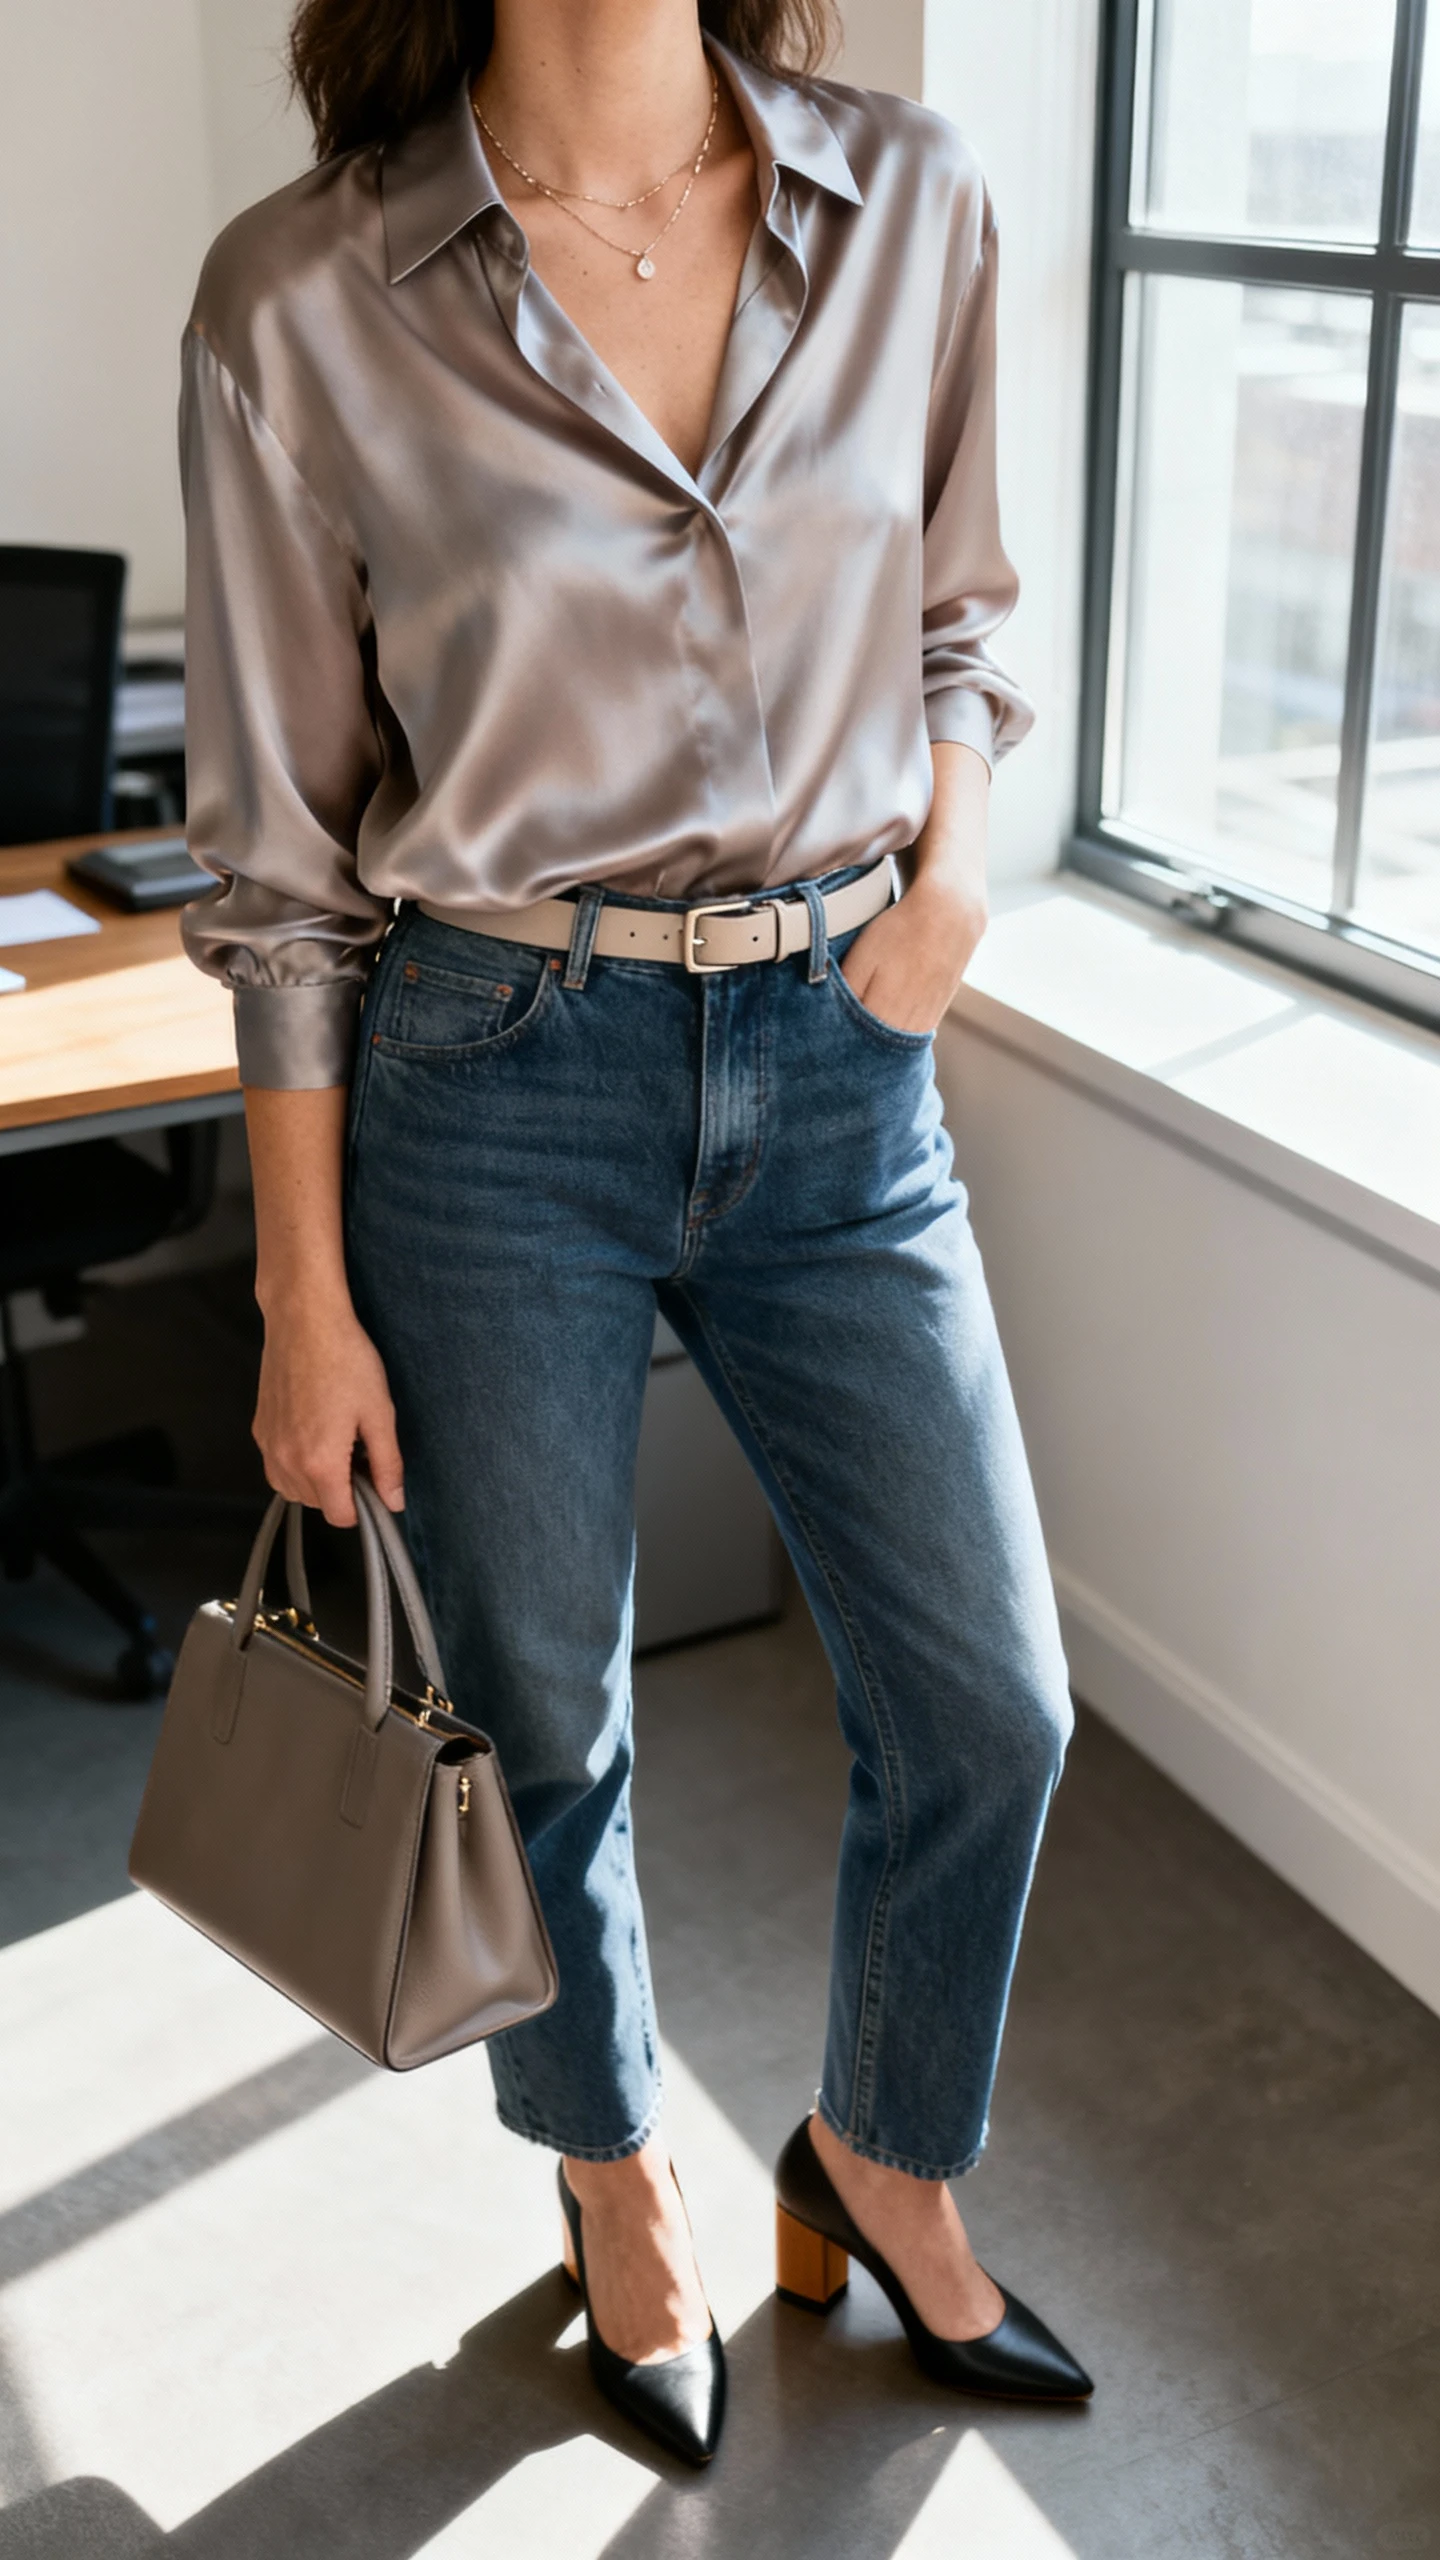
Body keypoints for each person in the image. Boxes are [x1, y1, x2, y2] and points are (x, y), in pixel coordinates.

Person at [179, 0, 1092, 2469]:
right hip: (494, 1078)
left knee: (991, 1697)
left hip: (844, 1053)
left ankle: (878, 2151)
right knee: (545, 1715)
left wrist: (953, 873)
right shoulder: (301, 294)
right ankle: (613, 2177)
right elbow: (281, 868)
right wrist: (298, 1289)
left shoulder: (912, 200)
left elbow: (961, 622)